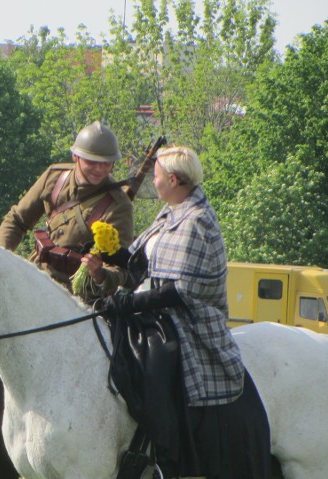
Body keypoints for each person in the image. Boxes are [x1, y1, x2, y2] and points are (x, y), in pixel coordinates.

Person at [97, 146, 270, 478]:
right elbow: (143, 261)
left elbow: (180, 291)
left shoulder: (196, 221)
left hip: (190, 318)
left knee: (155, 363)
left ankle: (163, 455)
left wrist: (125, 304)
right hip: (159, 308)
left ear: (173, 179)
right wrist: (110, 253)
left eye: (157, 175)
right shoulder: (169, 211)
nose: (153, 180)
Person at [0, 120, 134, 303]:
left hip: (79, 299)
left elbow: (121, 271)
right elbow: (17, 220)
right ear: (75, 157)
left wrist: (99, 273)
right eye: (92, 162)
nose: (100, 169)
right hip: (37, 277)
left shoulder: (118, 205)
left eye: (107, 163)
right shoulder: (55, 177)